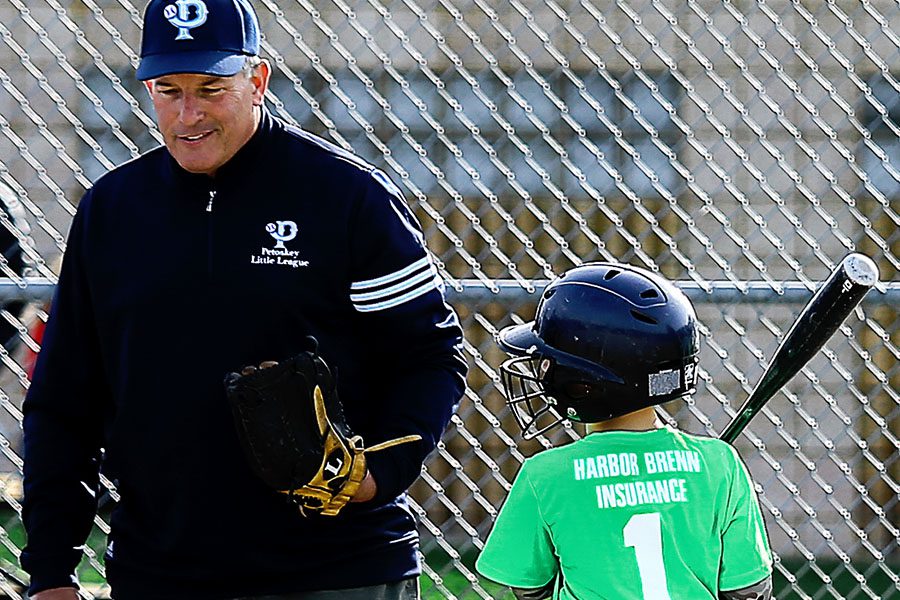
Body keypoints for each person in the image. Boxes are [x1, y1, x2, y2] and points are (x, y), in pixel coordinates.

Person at [21, 0, 467, 598]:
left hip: (338, 571)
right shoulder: (112, 211)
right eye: (167, 89)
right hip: (159, 573)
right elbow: (64, 401)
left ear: (257, 80)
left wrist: (378, 474)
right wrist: (52, 571)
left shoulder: (345, 197)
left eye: (211, 88)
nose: (187, 114)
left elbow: (430, 356)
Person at [475, 262, 773, 600]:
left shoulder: (545, 475)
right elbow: (748, 590)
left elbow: (528, 588)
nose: (541, 369)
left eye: (548, 362)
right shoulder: (721, 464)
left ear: (584, 384)